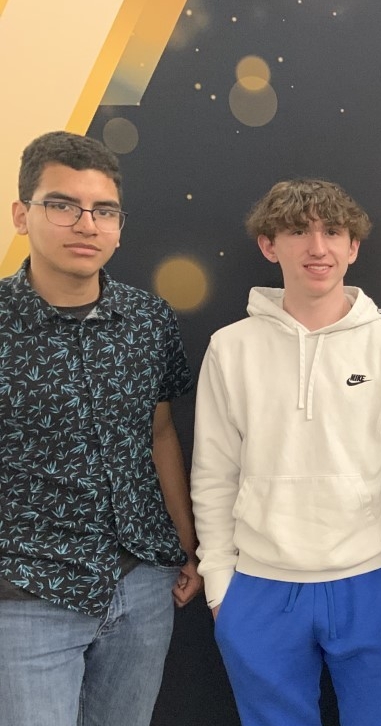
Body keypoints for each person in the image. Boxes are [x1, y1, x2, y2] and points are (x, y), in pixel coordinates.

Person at [190, 179, 381, 726]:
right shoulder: (231, 347)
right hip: (260, 588)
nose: (317, 248)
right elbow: (215, 473)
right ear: (269, 245)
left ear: (353, 247)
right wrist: (220, 587)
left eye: (332, 232)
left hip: (373, 583)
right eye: (298, 231)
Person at [0, 131, 200, 726]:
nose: (86, 224)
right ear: (22, 215)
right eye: (63, 205)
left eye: (104, 210)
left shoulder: (148, 319)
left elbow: (160, 434)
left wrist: (188, 547)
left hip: (142, 586)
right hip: (28, 593)